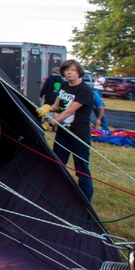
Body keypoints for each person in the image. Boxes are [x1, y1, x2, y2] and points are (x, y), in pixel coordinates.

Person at [47, 59, 95, 201]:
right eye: (67, 70)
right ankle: (57, 196)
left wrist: (52, 122)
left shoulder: (84, 90)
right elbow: (57, 106)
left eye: (73, 70)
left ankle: (85, 201)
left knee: (81, 170)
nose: (69, 72)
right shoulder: (64, 85)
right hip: (62, 134)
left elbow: (69, 111)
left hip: (78, 134)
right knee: (57, 166)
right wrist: (46, 108)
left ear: (79, 72)